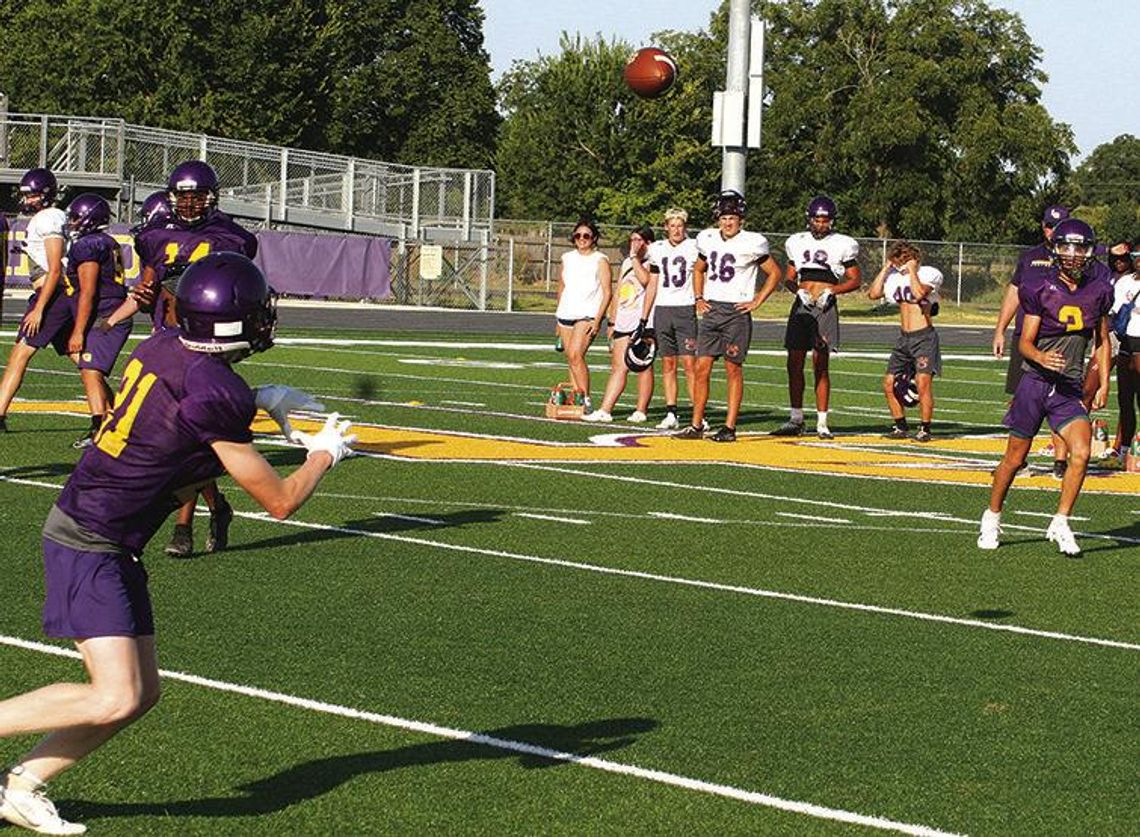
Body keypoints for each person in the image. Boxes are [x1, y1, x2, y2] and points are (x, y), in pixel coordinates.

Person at [0, 253, 354, 837]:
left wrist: (262, 395)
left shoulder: (166, 343)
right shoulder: (218, 390)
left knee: (139, 695)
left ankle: (21, 784)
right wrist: (324, 453)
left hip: (107, 533)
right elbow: (280, 500)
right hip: (91, 537)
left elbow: (184, 401)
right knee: (114, 695)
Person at [103, 162, 259, 558]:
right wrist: (128, 308)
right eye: (183, 196)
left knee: (189, 433)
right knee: (180, 435)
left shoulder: (232, 237)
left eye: (197, 195)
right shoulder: (155, 236)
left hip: (208, 344)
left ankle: (183, 524)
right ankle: (217, 506)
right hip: (166, 338)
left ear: (212, 196)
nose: (190, 203)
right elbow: (151, 284)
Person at [978, 219, 1113, 556]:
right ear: (1055, 250)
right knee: (1014, 459)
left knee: (1081, 453)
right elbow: (1023, 342)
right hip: (1036, 383)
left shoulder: (1099, 288)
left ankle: (1061, 522)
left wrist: (1103, 381)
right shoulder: (1040, 287)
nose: (1073, 254)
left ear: (1089, 251)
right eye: (1066, 246)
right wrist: (1040, 355)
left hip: (1067, 388)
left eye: (1080, 247)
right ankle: (992, 516)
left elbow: (1102, 342)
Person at [673, 189, 782, 442]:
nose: (727, 222)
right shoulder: (708, 239)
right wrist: (698, 297)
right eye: (723, 217)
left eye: (732, 217)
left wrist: (757, 300)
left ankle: (730, 427)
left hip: (736, 312)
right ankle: (696, 424)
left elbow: (774, 273)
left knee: (733, 368)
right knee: (702, 368)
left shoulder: (752, 242)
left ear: (740, 219)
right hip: (712, 310)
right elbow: (698, 269)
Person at [772, 195, 862, 439]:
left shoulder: (842, 244)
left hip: (825, 306)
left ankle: (822, 421)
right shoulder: (797, 242)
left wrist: (833, 290)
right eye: (817, 220)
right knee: (794, 363)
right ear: (809, 219)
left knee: (820, 364)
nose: (821, 224)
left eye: (826, 220)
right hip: (802, 305)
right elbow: (790, 277)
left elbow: (855, 279)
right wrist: (798, 290)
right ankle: (796, 418)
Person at [992, 205, 1070, 478]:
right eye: (1049, 226)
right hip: (1026, 337)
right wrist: (1000, 329)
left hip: (1059, 338)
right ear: (1043, 226)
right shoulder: (1030, 258)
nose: (1053, 231)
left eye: (1058, 226)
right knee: (1021, 399)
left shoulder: (1076, 258)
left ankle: (1060, 462)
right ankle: (1017, 461)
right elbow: (1014, 293)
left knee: (1061, 398)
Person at [0, 169, 71, 434]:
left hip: (51, 295)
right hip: (55, 295)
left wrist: (40, 308)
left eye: (31, 195)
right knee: (81, 357)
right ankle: (108, 412)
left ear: (46, 194)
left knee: (20, 352)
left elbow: (54, 269)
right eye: (25, 195)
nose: (26, 200)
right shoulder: (53, 216)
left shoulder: (47, 218)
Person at [867, 241, 944, 442]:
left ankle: (925, 429)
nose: (902, 264)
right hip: (904, 338)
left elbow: (919, 293)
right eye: (899, 260)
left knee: (922, 382)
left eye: (905, 259)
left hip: (924, 336)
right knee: (889, 383)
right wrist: (885, 268)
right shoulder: (894, 278)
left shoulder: (928, 273)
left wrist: (912, 271)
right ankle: (900, 426)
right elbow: (873, 294)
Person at [583, 225, 657, 423]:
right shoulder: (626, 263)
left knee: (643, 366)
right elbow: (618, 291)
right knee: (618, 366)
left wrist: (635, 258)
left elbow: (646, 281)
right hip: (624, 320)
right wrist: (612, 320)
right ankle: (606, 409)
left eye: (639, 240)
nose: (635, 244)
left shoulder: (652, 262)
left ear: (649, 243)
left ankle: (641, 410)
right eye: (632, 240)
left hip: (643, 321)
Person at [643, 207, 700, 430]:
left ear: (685, 227)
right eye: (672, 225)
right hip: (663, 309)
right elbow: (653, 283)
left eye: (680, 225)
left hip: (685, 309)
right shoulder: (657, 249)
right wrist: (644, 317)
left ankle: (698, 413)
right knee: (667, 363)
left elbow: (701, 273)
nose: (676, 230)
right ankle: (671, 412)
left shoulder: (694, 247)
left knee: (689, 363)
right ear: (666, 227)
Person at [554, 218, 611, 411]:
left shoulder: (600, 260)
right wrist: (557, 315)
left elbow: (607, 292)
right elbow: (561, 286)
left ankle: (585, 398)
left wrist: (597, 319)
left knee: (576, 355)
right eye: (578, 235)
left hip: (587, 314)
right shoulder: (567, 258)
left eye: (586, 235)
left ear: (594, 238)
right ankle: (576, 396)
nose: (582, 239)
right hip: (566, 312)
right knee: (570, 358)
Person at [1110, 241, 1140, 457]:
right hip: (1126, 345)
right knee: (1125, 399)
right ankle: (1125, 447)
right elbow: (1115, 313)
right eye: (1137, 256)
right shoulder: (1124, 283)